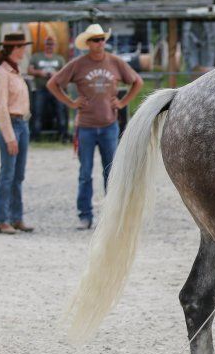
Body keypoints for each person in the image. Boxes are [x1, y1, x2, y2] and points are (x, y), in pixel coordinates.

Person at [47, 24, 143, 230]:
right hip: (86, 126)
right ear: (88, 44)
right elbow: (53, 83)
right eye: (95, 40)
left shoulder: (115, 62)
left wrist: (123, 102)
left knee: (112, 172)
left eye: (102, 39)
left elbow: (137, 81)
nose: (100, 43)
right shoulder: (78, 64)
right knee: (85, 173)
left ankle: (113, 216)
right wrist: (71, 102)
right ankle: (85, 215)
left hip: (109, 125)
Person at [0, 33, 35, 234]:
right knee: (7, 174)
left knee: (18, 175)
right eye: (22, 46)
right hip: (12, 124)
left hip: (22, 124)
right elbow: (1, 108)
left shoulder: (14, 71)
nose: (24, 50)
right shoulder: (1, 74)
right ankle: (2, 219)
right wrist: (9, 136)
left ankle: (16, 217)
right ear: (15, 48)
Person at [28, 35, 68, 141]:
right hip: (41, 88)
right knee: (37, 111)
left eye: (52, 44)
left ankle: (63, 135)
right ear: (44, 45)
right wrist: (40, 72)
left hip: (56, 89)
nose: (50, 46)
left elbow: (65, 73)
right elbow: (30, 70)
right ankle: (35, 135)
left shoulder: (59, 58)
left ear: (55, 45)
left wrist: (55, 74)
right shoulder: (36, 56)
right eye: (48, 44)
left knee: (60, 111)